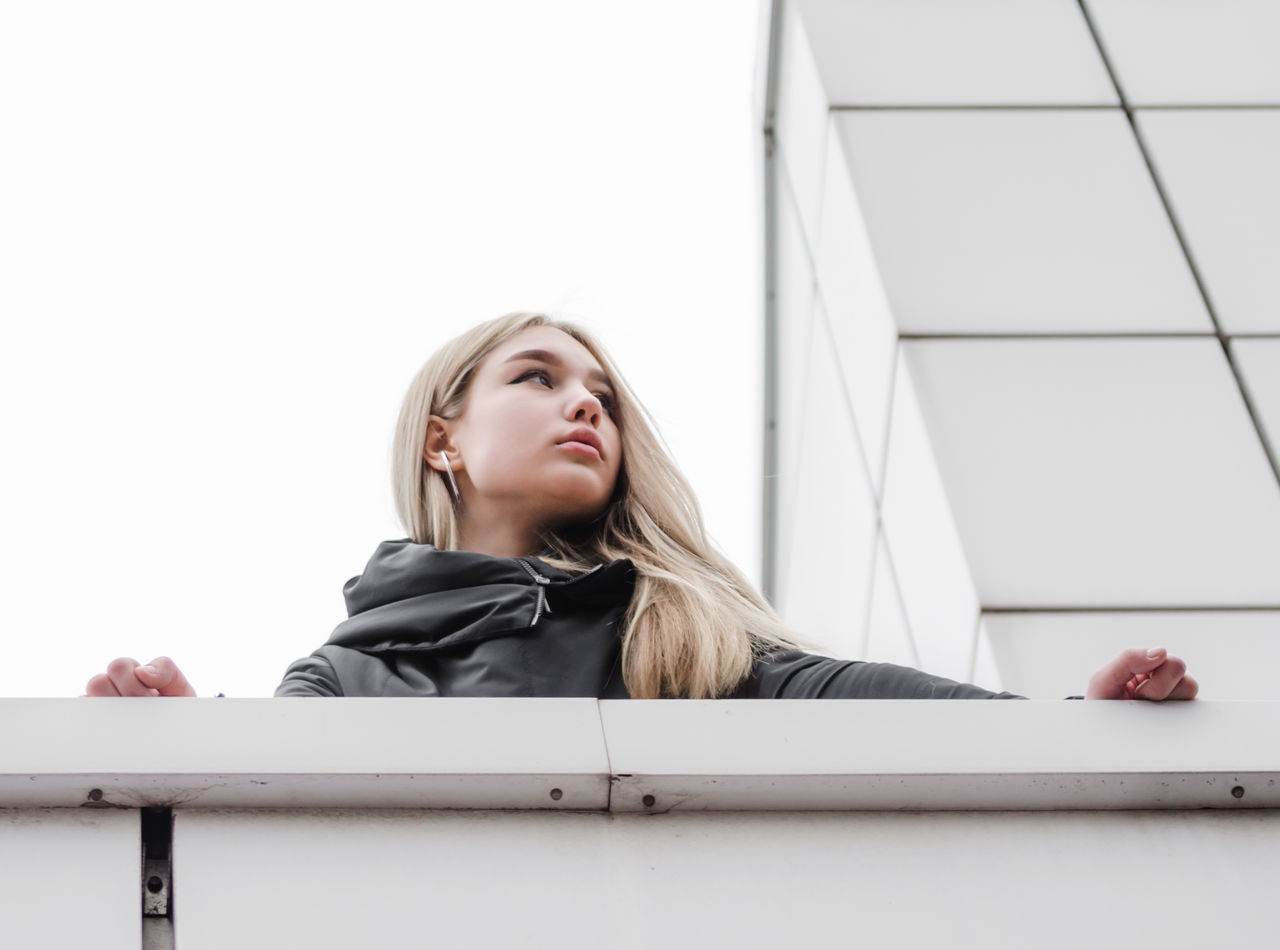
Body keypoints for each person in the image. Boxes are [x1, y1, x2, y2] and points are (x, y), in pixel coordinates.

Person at [84, 312, 1198, 703]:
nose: (584, 405)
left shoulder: (678, 633)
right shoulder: (348, 674)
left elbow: (862, 698)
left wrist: (1057, 718)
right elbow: (269, 806)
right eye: (538, 378)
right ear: (443, 439)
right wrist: (193, 726)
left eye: (601, 395)